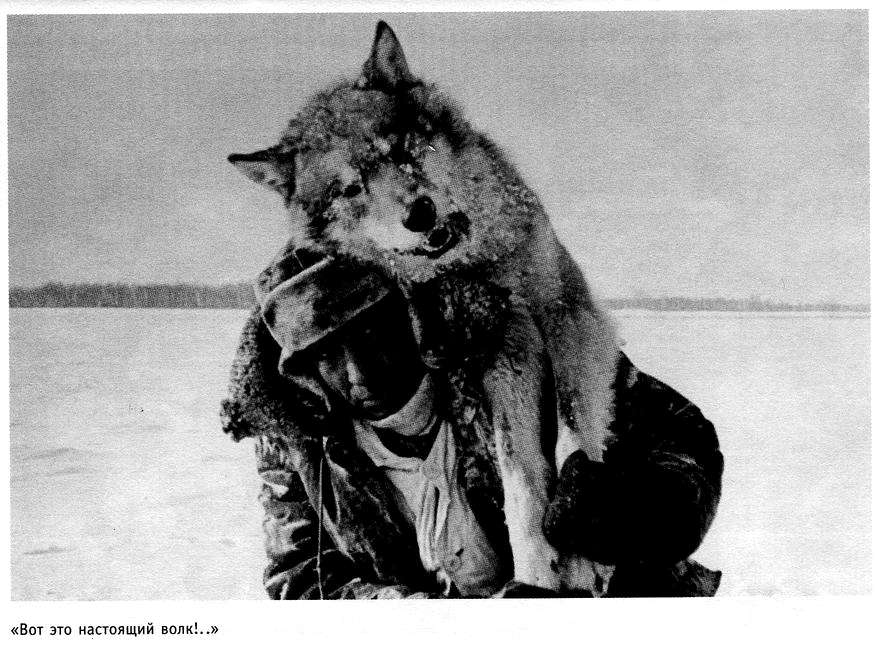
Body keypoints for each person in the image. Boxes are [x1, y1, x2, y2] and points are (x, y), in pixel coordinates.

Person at [221, 249, 724, 599]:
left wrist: (635, 511)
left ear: (413, 313)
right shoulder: (298, 445)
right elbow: (302, 577)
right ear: (302, 370)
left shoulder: (523, 359)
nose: (359, 372)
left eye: (374, 332)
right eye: (328, 353)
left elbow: (682, 440)